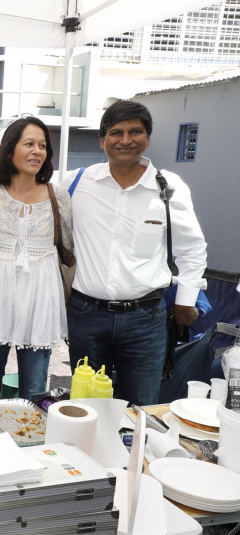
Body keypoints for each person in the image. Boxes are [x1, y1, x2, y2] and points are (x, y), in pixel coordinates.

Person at [63, 100, 207, 406]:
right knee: (85, 405)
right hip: (86, 315)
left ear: (148, 138)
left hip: (145, 319)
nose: (126, 140)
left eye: (135, 131)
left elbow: (192, 249)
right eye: (116, 132)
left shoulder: (168, 188)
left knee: (140, 408)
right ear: (102, 140)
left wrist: (185, 301)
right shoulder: (76, 182)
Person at [0, 117, 71, 401]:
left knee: (34, 390)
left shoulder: (57, 196)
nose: (37, 151)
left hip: (39, 298)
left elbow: (71, 244)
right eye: (29, 144)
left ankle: (30, 444)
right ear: (10, 148)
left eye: (43, 145)